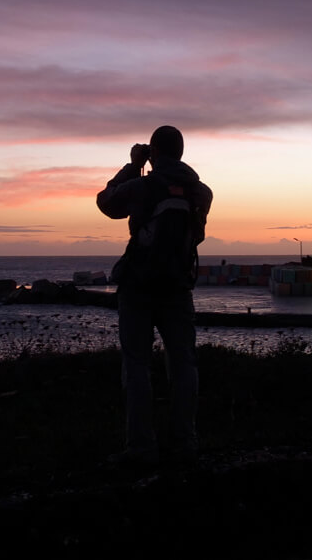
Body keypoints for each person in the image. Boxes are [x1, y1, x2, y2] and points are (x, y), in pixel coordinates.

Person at [96, 125, 213, 467]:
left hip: (138, 285)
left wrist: (133, 165)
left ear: (154, 152)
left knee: (136, 365)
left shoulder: (142, 185)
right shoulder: (202, 192)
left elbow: (106, 203)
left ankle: (141, 447)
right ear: (181, 152)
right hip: (178, 286)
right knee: (183, 364)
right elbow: (198, 236)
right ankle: (185, 442)